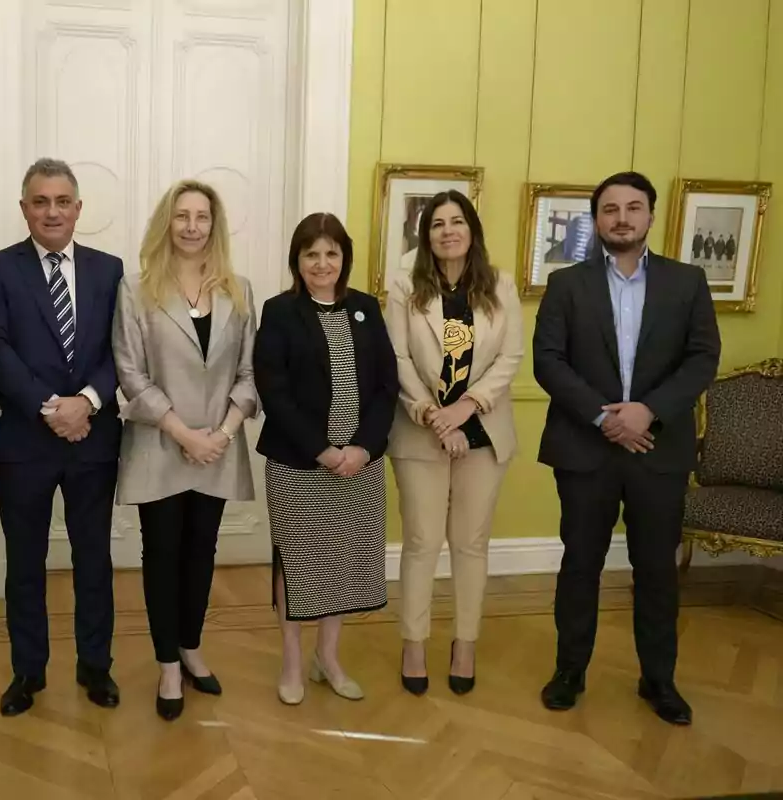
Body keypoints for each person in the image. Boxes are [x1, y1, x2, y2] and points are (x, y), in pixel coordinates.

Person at [533, 171, 720, 725]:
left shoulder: (688, 282)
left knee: (657, 570)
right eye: (610, 209)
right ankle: (570, 671)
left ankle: (659, 680)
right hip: (584, 450)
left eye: (633, 207)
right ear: (597, 220)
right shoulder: (567, 284)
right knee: (580, 566)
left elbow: (702, 358)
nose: (621, 217)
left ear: (650, 216)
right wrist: (604, 417)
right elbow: (549, 361)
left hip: (658, 451)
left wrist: (648, 411)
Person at [0, 158, 124, 716]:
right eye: (40, 202)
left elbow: (123, 352)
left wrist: (85, 403)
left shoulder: (110, 271)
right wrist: (50, 407)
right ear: (24, 209)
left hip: (93, 438)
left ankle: (96, 667)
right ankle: (28, 671)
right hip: (26, 443)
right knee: (25, 564)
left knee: (94, 560)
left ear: (78, 209)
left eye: (62, 201)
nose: (52, 211)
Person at [112, 180, 257, 721]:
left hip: (218, 446)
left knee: (202, 554)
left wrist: (221, 431)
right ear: (166, 223)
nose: (193, 226)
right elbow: (130, 372)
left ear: (214, 224)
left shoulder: (238, 289)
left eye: (202, 216)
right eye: (182, 216)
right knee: (163, 555)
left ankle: (191, 647)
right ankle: (167, 663)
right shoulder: (138, 289)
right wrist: (185, 433)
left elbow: (249, 373)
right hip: (161, 445)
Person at [253, 212, 399, 705]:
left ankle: (328, 658)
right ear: (298, 259)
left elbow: (385, 386)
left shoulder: (365, 308)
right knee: (298, 563)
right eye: (311, 254)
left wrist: (362, 447)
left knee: (344, 563)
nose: (322, 263)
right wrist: (322, 449)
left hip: (358, 465)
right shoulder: (279, 311)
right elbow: (274, 390)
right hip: (300, 463)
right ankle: (292, 661)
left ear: (344, 258)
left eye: (331, 253)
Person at [384, 190, 523, 696]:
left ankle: (465, 642)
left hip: (483, 431)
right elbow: (397, 358)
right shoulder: (405, 287)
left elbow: (510, 356)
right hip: (421, 428)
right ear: (426, 237)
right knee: (422, 541)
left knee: (470, 543)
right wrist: (433, 415)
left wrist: (465, 411)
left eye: (456, 221)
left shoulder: (500, 285)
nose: (447, 230)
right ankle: (414, 642)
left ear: (472, 230)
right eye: (437, 223)